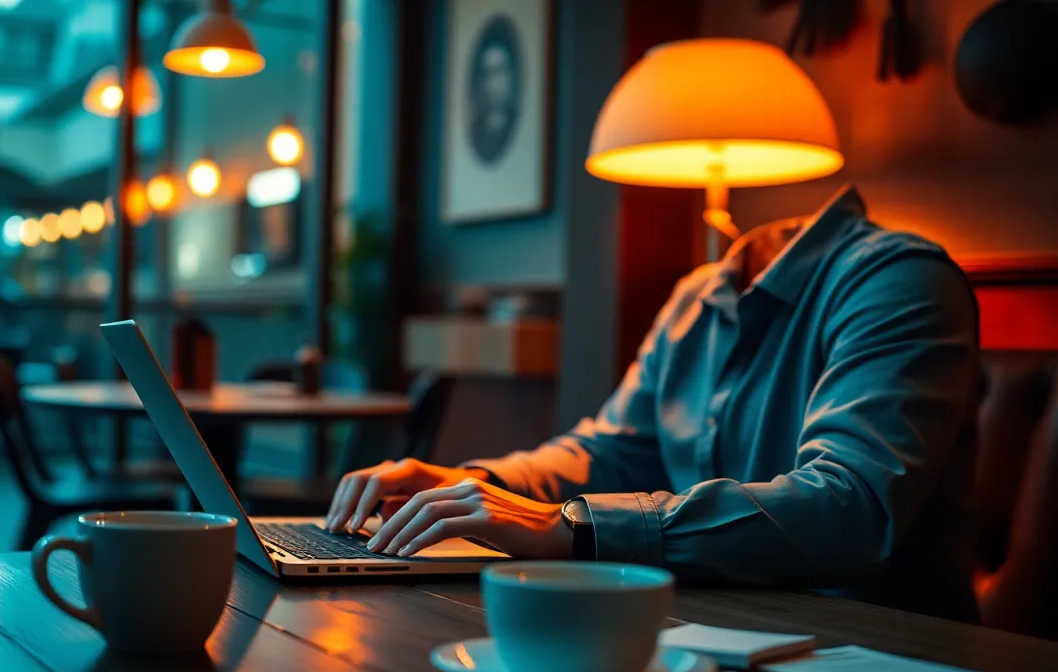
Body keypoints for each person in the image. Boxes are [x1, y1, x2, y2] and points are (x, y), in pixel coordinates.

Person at [326, 186, 981, 621]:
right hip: (717, 629)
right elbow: (611, 449)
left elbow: (850, 506)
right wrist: (479, 485)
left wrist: (573, 528)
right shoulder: (698, 293)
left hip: (883, 654)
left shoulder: (898, 279)